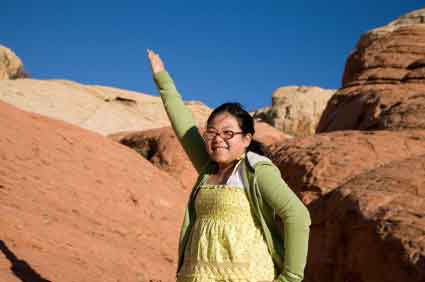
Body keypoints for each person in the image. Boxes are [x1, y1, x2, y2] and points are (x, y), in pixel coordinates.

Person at [147, 49, 311, 282]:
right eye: (212, 132)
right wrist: (162, 78)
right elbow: (183, 125)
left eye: (228, 133)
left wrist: (291, 277)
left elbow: (297, 215)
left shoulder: (256, 170)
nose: (218, 139)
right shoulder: (208, 168)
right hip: (197, 275)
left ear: (246, 139)